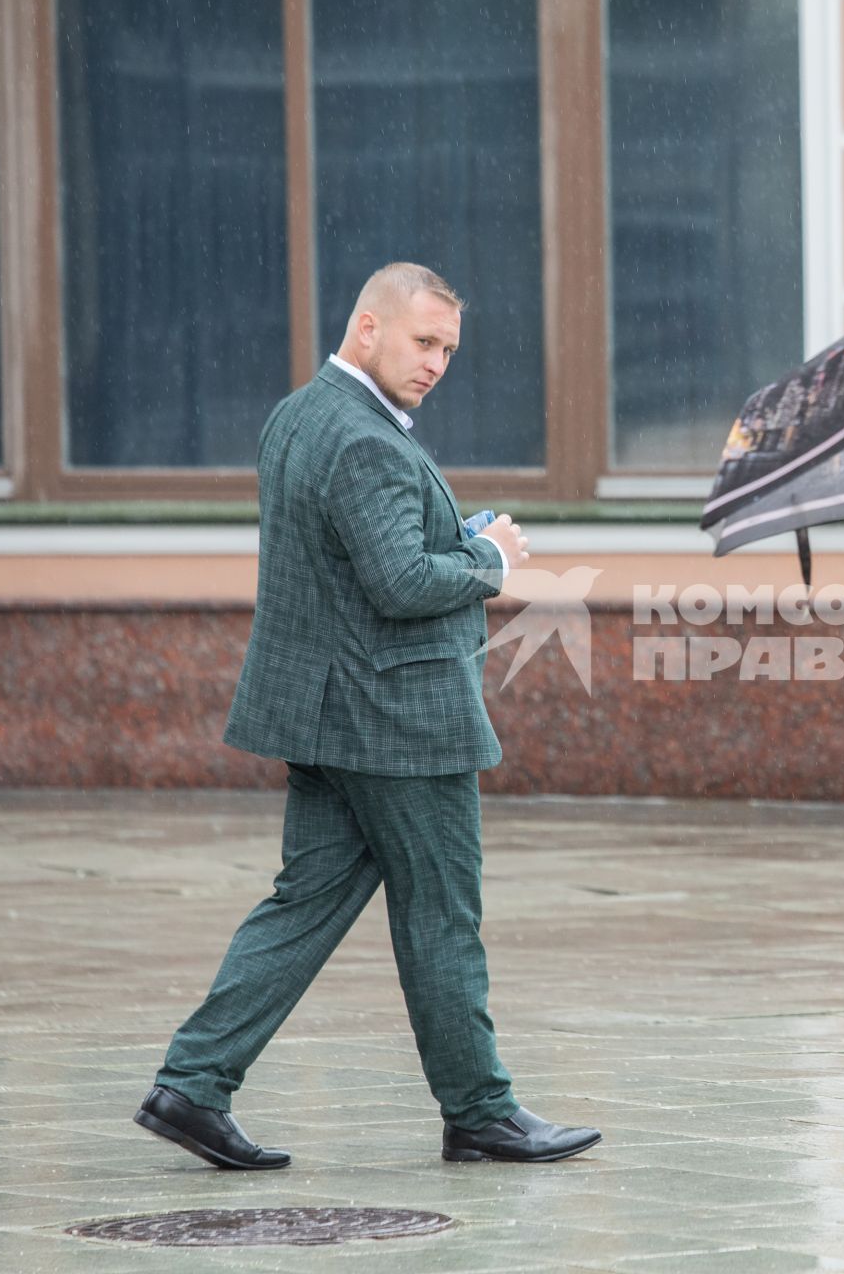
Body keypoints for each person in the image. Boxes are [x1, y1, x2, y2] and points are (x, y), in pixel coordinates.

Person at [135, 263, 601, 1169]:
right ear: (367, 327)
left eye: (449, 350)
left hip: (327, 714)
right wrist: (488, 557)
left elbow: (355, 563)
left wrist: (451, 540)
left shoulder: (299, 416)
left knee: (303, 903)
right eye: (423, 342)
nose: (436, 364)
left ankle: (192, 1086)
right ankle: (481, 1112)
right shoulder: (363, 439)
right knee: (441, 912)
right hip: (397, 718)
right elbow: (400, 584)